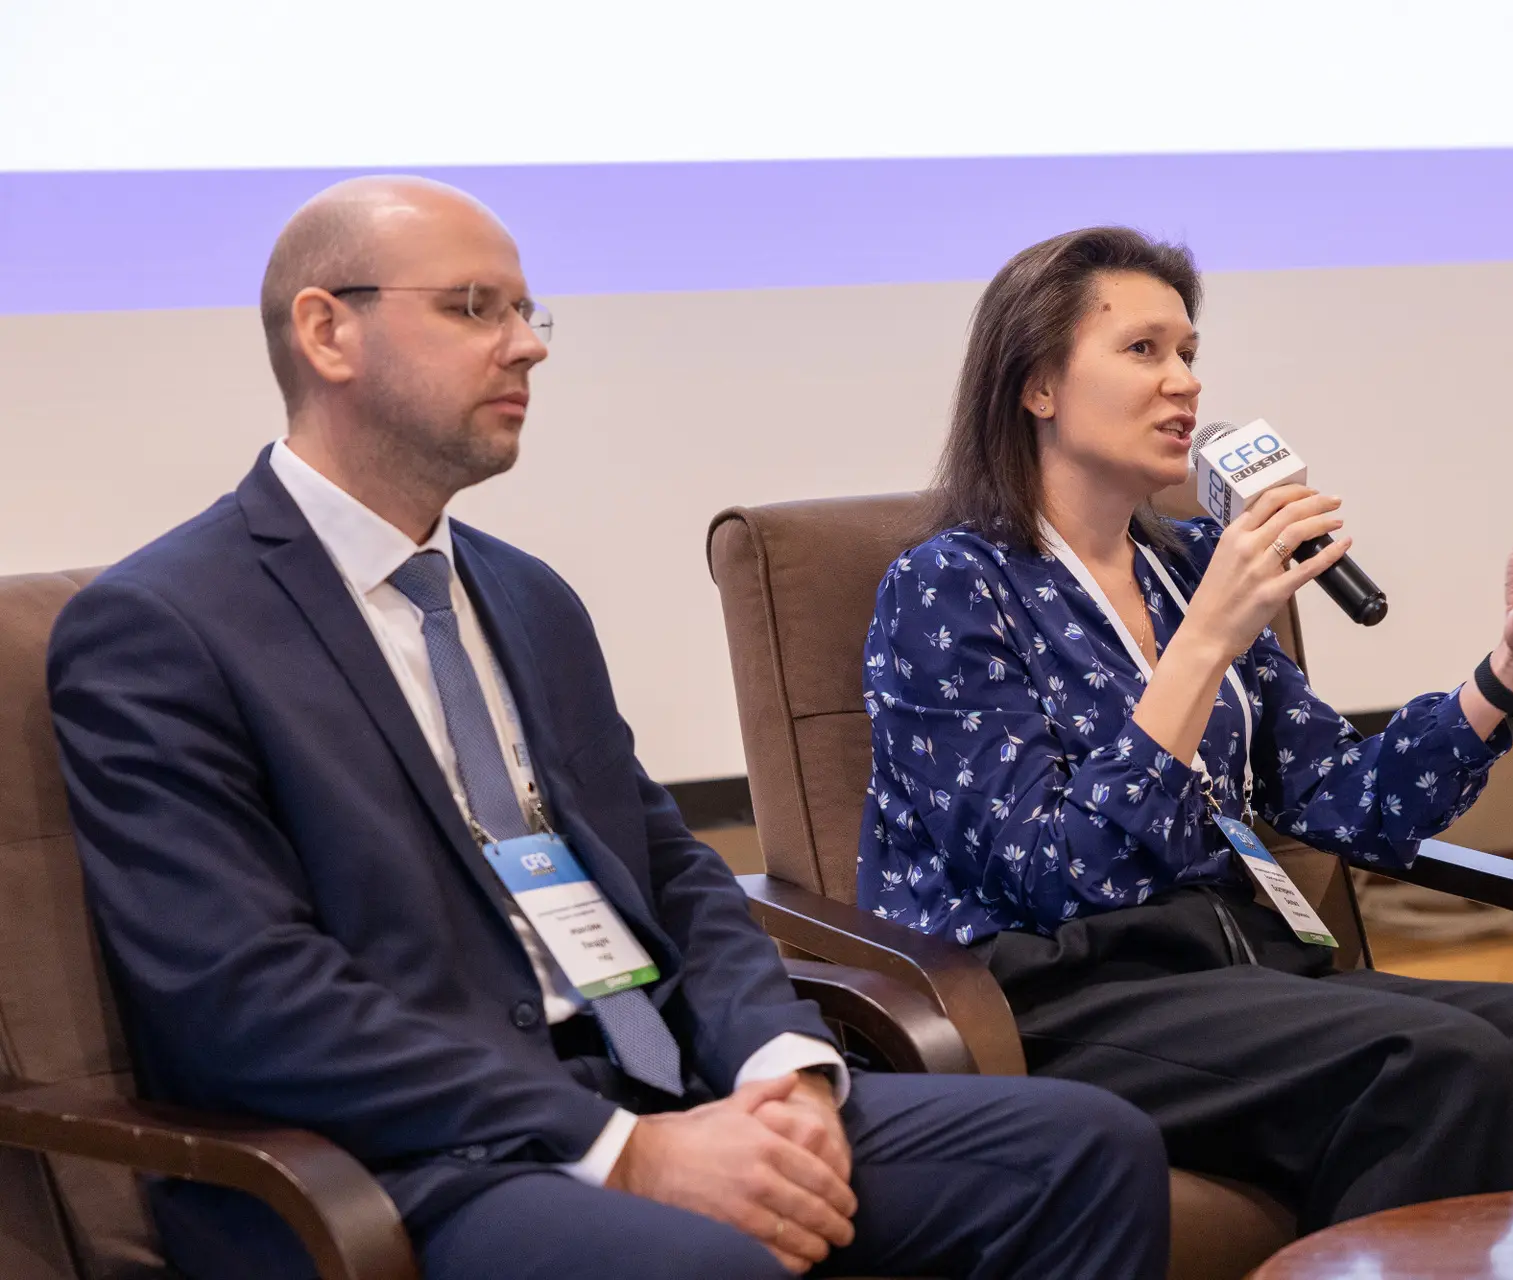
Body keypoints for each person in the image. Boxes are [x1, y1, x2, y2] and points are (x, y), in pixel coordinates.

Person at [48, 180, 1168, 1280]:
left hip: (662, 1081)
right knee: (703, 1259)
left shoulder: (525, 596)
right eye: (474, 307)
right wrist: (624, 1151)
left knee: (1082, 1151)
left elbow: (673, 871)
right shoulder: (165, 626)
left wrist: (781, 1069)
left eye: (525, 310)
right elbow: (245, 1001)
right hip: (407, 1162)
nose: (528, 346)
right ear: (326, 331)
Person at [860, 226, 1513, 1232]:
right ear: (1037, 386)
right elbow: (1052, 871)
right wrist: (1204, 643)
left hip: (1238, 968)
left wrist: (1512, 664)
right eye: (1142, 349)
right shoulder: (948, 587)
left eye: (1189, 352)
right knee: (1439, 1068)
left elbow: (1349, 800)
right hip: (1060, 995)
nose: (1184, 382)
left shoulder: (1187, 562)